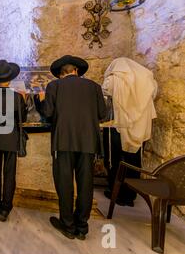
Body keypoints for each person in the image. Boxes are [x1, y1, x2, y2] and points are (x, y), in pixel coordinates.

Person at [36, 55, 107, 240]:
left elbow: (48, 114)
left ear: (61, 74)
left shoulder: (55, 86)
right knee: (86, 184)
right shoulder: (94, 87)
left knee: (65, 184)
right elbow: (103, 114)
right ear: (76, 71)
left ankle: (67, 225)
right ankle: (82, 227)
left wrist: (40, 101)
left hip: (63, 142)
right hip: (88, 143)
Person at [102, 57, 157, 207]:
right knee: (134, 161)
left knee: (115, 160)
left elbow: (105, 101)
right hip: (139, 127)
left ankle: (116, 193)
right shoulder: (148, 80)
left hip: (117, 126)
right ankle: (130, 194)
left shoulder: (112, 81)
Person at [0, 60, 27, 222]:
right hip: (10, 139)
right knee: (9, 174)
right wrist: (24, 99)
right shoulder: (17, 97)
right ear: (10, 79)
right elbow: (23, 117)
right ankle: (5, 208)